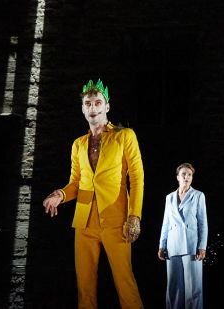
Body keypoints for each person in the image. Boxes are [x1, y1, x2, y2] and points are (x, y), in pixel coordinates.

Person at [42, 79, 145, 309]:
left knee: (124, 282)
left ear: (107, 106)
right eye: (88, 103)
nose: (93, 107)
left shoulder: (125, 136)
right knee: (85, 286)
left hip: (116, 221)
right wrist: (60, 194)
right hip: (84, 222)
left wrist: (134, 215)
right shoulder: (78, 144)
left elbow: (137, 178)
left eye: (98, 102)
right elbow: (75, 183)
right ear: (82, 108)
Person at [158, 163, 208, 309]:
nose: (187, 177)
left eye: (190, 175)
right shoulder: (169, 197)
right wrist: (162, 245)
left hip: (191, 246)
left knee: (193, 289)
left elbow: (203, 223)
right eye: (184, 174)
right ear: (177, 177)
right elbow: (165, 223)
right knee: (173, 288)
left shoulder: (198, 195)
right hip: (172, 246)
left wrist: (202, 246)